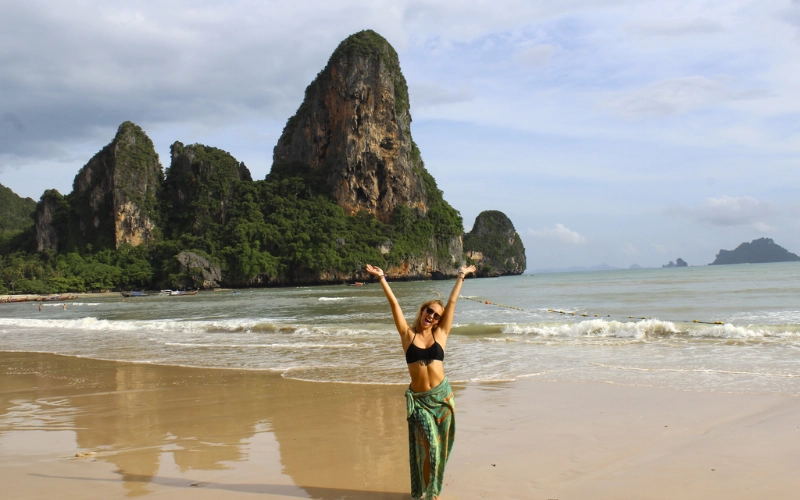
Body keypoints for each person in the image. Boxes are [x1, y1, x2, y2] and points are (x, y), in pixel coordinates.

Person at [365, 263, 476, 500]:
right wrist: (382, 278)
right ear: (423, 311)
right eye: (429, 312)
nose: (432, 316)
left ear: (439, 320)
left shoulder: (441, 335)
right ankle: (431, 494)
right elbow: (394, 304)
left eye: (436, 315)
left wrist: (461, 275)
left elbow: (453, 302)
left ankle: (429, 492)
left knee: (439, 450)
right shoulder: (407, 335)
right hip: (420, 403)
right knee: (430, 448)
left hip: (442, 398)